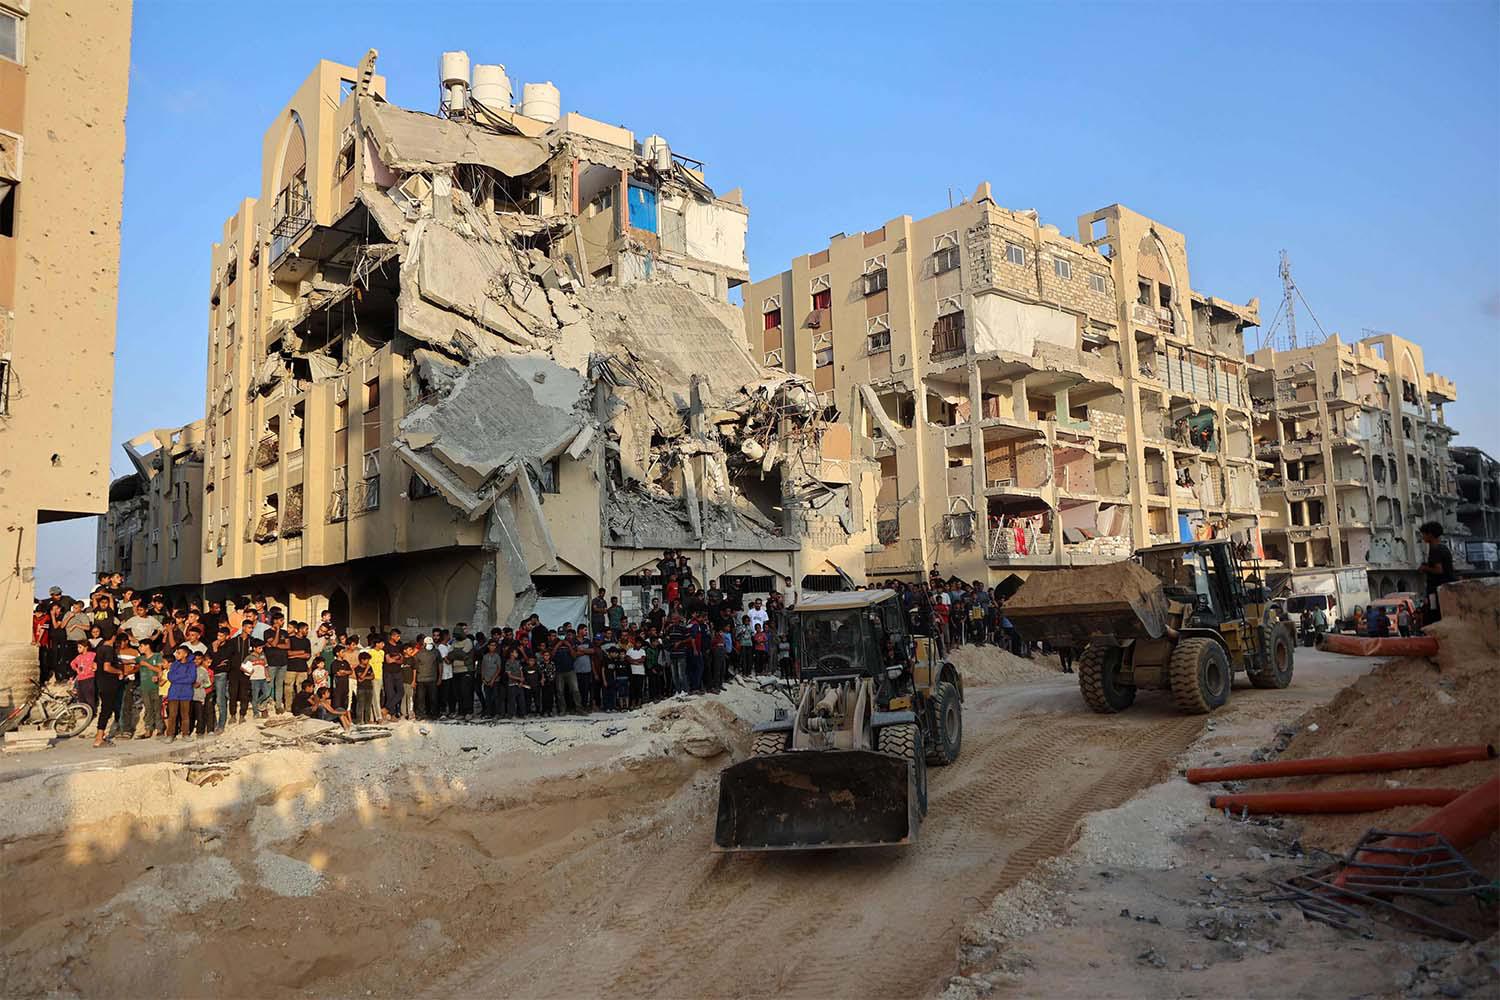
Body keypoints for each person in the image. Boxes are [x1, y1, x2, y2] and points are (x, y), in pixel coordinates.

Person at [1418, 521, 1456, 625]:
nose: (1423, 537)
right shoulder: (1443, 548)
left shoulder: (1435, 549)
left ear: (1430, 534)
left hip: (1437, 589)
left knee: (1434, 613)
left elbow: (1439, 570)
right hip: (1444, 588)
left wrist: (1425, 568)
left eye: (1424, 534)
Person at [162, 645, 197, 743]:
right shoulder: (174, 665)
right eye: (176, 653)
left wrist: (178, 678)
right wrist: (183, 676)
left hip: (186, 693)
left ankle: (185, 734)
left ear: (185, 654)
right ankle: (170, 735)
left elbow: (191, 679)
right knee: (172, 715)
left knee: (185, 715)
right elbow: (170, 677)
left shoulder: (191, 665)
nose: (176, 655)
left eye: (179, 653)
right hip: (174, 693)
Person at [242, 639, 271, 718]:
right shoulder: (249, 657)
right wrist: (249, 671)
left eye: (262, 648)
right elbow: (242, 667)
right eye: (259, 648)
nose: (261, 649)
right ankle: (256, 713)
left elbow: (266, 666)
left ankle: (257, 703)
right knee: (255, 695)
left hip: (263, 678)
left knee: (267, 693)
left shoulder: (263, 656)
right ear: (254, 648)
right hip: (254, 679)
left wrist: (267, 676)